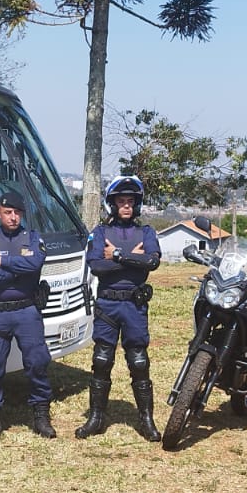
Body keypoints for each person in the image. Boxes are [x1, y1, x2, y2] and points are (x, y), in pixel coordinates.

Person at [77, 175, 162, 441]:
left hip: (134, 305)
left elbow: (152, 261)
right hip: (108, 304)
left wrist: (116, 255)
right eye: (121, 201)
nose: (125, 205)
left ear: (136, 205)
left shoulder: (146, 232)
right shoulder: (100, 232)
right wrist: (133, 259)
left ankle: (146, 420)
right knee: (102, 360)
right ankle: (96, 417)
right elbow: (95, 265)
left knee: (139, 362)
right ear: (111, 204)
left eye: (130, 201)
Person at [0, 189, 54, 442]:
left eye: (17, 213)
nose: (13, 217)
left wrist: (2, 262)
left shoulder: (32, 237)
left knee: (37, 364)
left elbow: (35, 264)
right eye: (8, 212)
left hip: (27, 311)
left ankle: (40, 415)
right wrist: (18, 269)